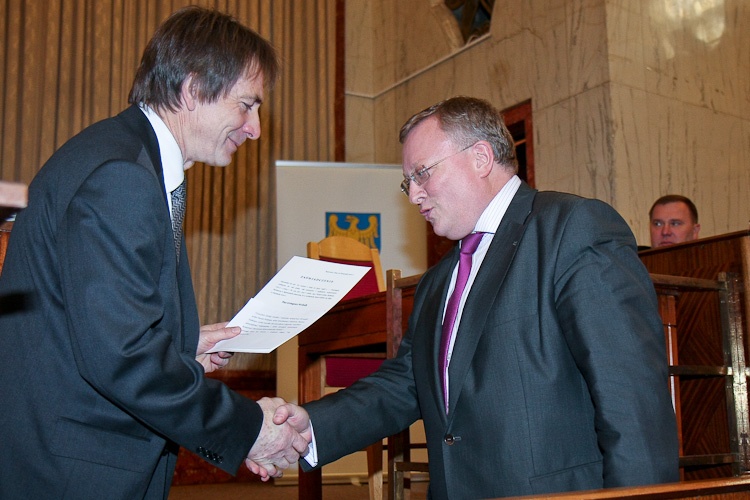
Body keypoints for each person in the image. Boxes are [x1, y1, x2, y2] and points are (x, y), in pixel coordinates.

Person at [295, 96, 679, 499]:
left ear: (480, 158)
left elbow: (632, 401)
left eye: (422, 174)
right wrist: (308, 429)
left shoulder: (571, 229)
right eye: (408, 182)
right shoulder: (437, 281)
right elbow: (405, 384)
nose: (414, 195)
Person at [0, 7, 310, 499]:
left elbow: (90, 324)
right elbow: (122, 356)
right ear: (192, 89)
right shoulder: (120, 176)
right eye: (246, 105)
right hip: (74, 469)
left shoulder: (122, 157)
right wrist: (250, 428)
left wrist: (182, 347)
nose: (254, 128)